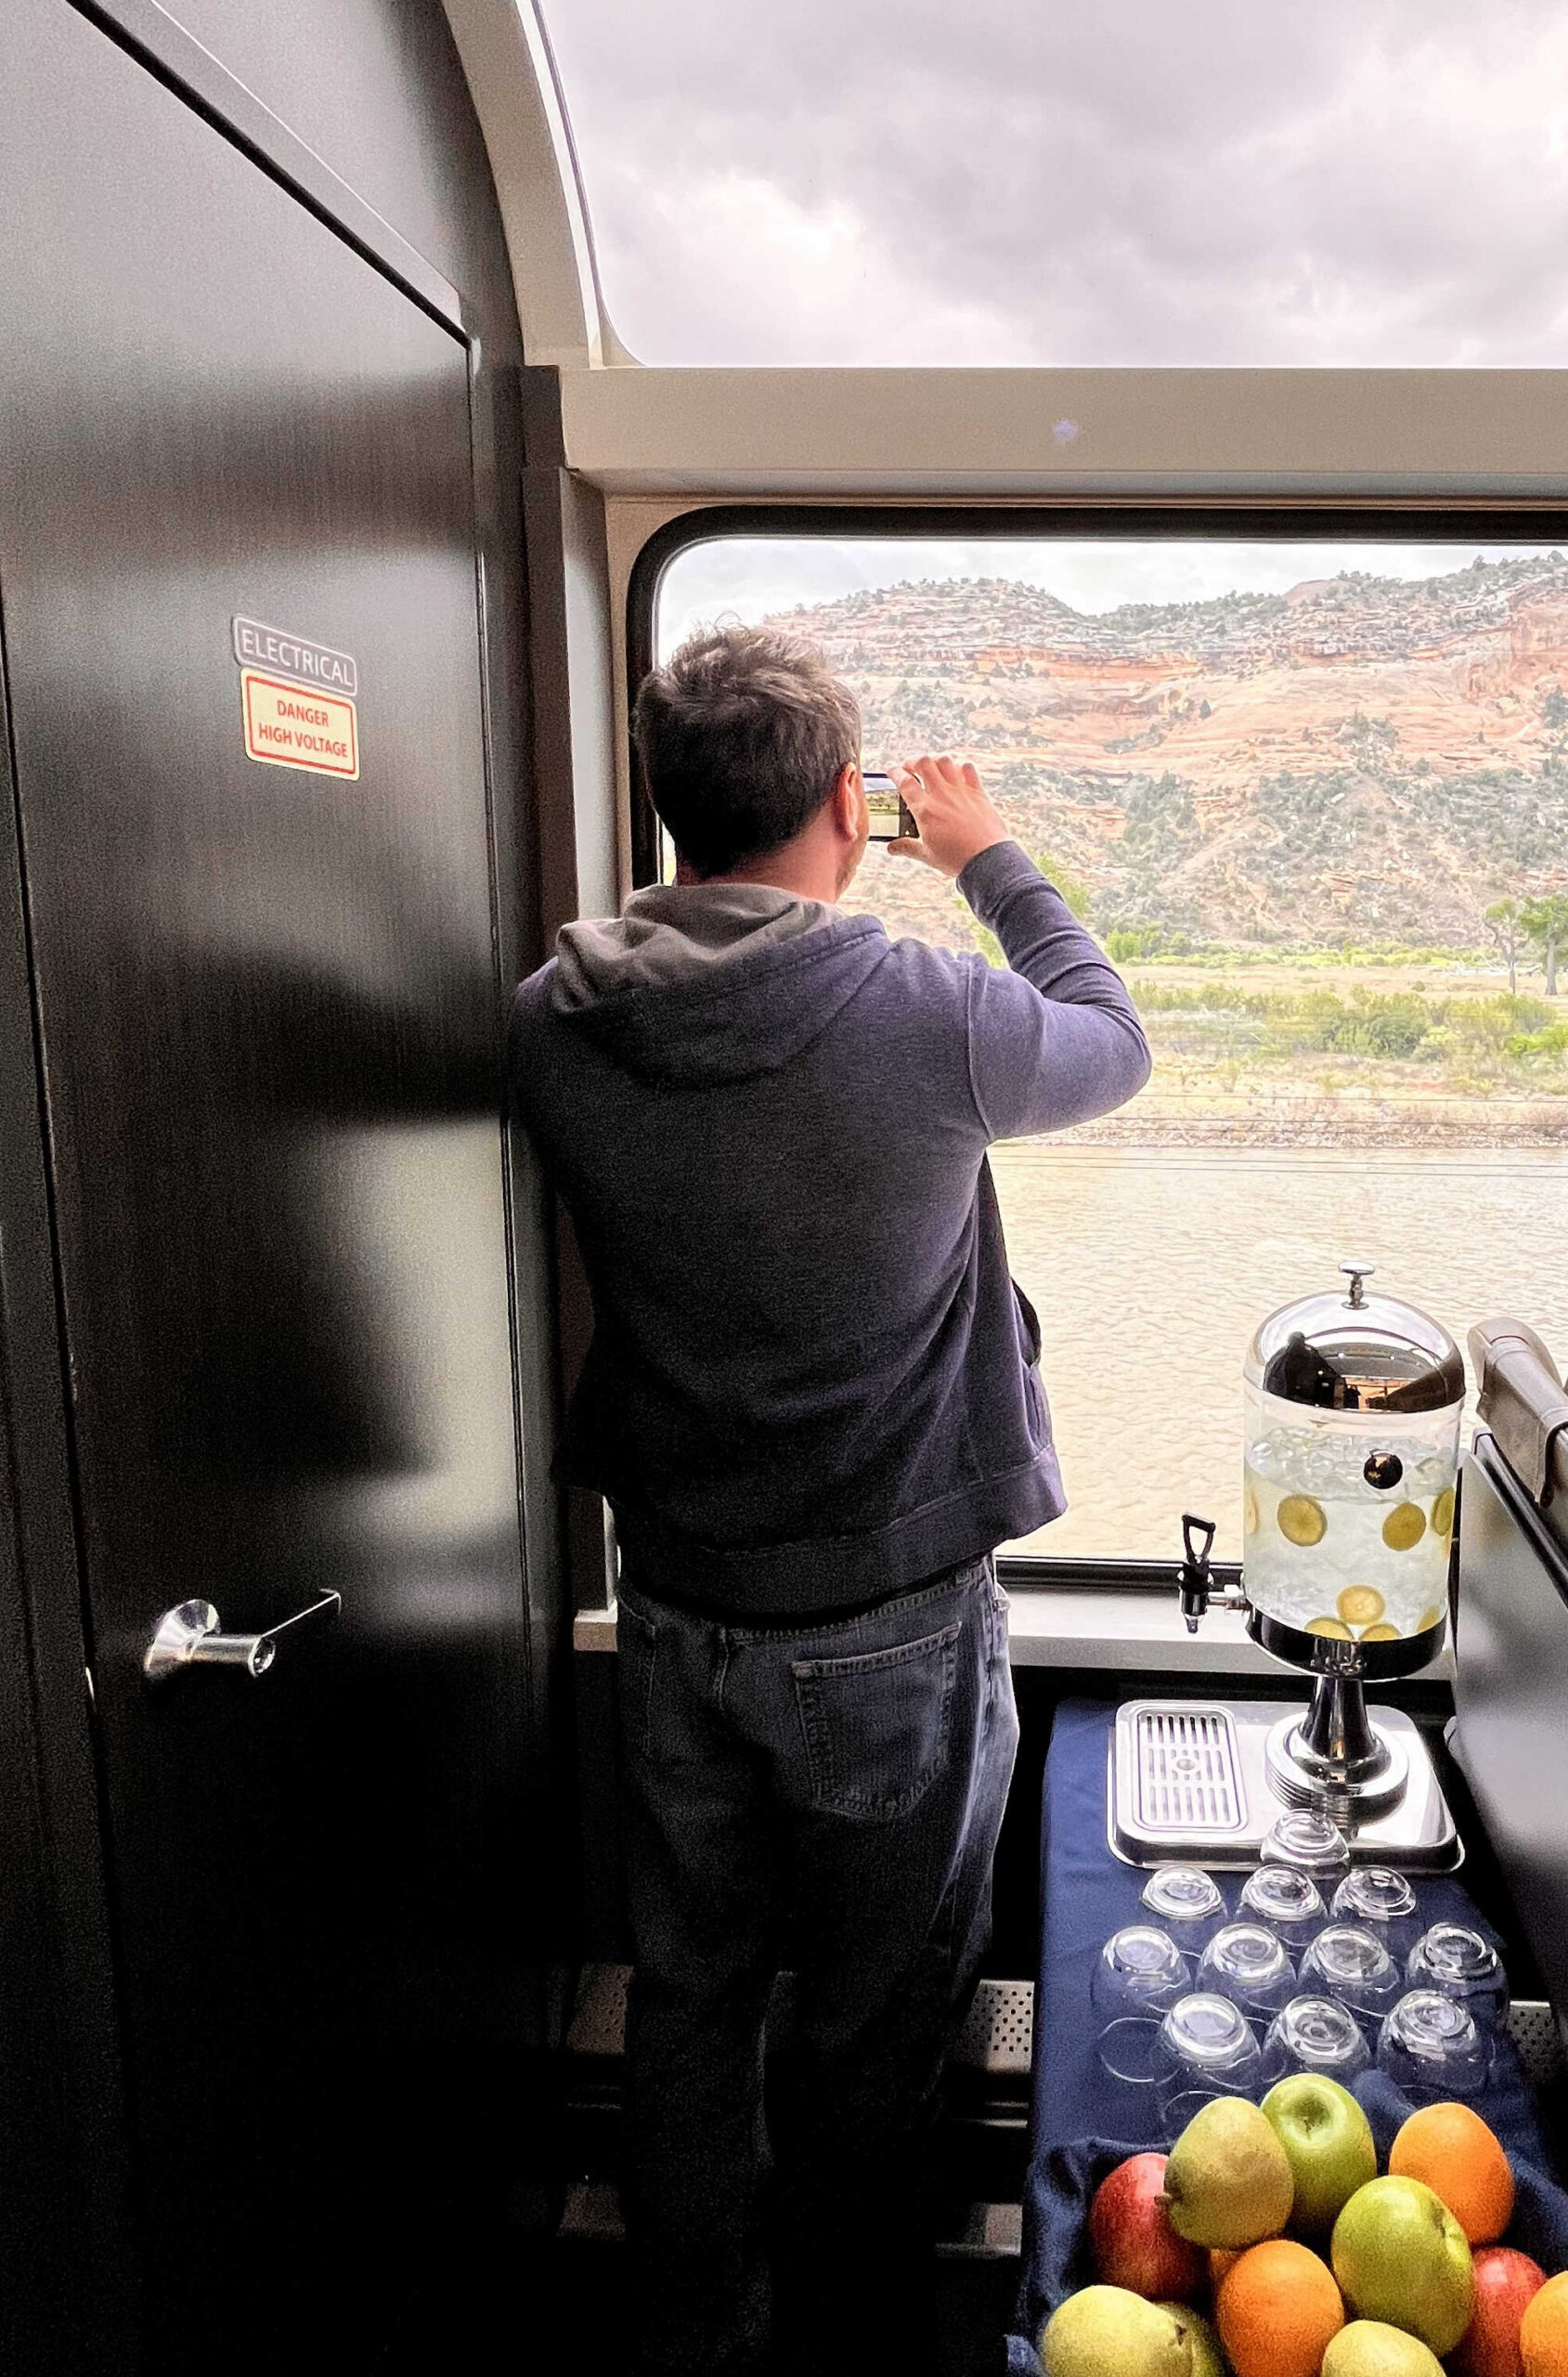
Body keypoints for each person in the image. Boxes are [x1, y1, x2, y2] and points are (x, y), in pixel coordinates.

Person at [508, 625, 1150, 2375]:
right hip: (888, 1621)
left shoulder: (553, 1025)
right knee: (874, 2012)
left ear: (667, 811)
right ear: (845, 807)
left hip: (676, 1602)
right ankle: (848, 2335)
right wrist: (988, 856)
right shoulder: (924, 1013)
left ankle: (690, 2329)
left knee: (690, 1992)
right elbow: (1112, 1038)